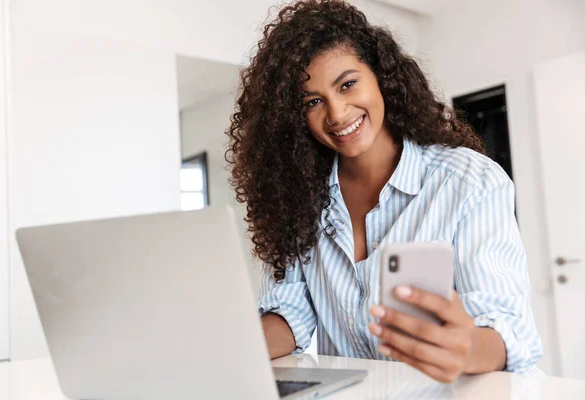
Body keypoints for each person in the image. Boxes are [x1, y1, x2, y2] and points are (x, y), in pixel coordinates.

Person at [225, 0, 542, 383]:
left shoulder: (468, 181)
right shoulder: (298, 199)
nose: (337, 114)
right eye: (313, 101)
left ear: (381, 77)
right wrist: (223, 346)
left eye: (347, 84)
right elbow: (291, 310)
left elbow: (508, 325)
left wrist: (465, 347)